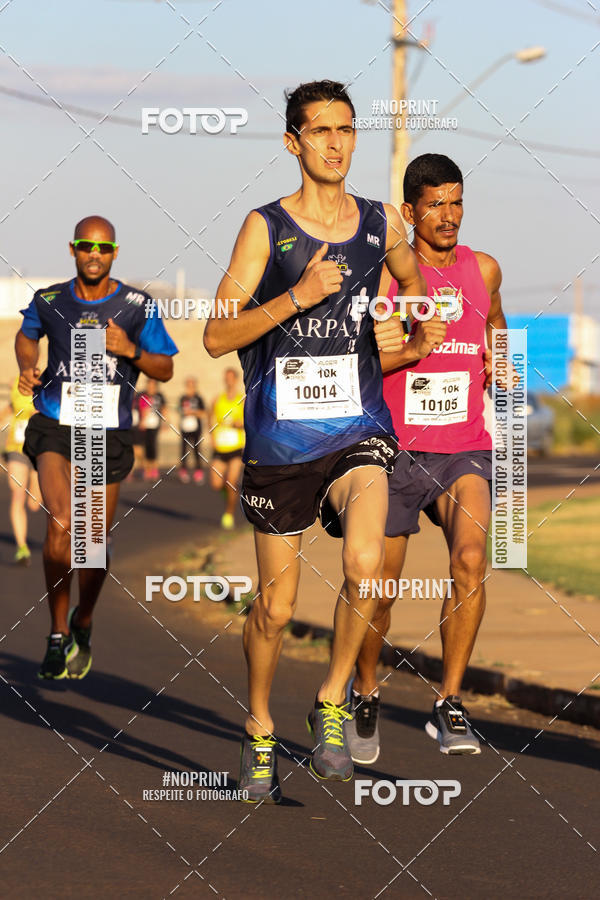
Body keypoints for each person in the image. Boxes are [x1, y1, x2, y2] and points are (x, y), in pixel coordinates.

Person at [204, 80, 425, 802]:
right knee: (274, 607)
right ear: (294, 142)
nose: (336, 143)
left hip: (359, 429)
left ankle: (332, 701)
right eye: (321, 131)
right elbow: (216, 335)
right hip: (279, 442)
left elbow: (418, 300)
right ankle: (260, 725)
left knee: (367, 566)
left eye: (347, 130)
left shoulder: (384, 222)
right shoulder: (266, 227)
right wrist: (297, 295)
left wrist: (413, 330)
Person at [346, 153, 507, 761]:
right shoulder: (389, 279)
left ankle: (450, 701)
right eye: (435, 204)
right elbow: (362, 365)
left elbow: (494, 320)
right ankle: (364, 692)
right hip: (392, 449)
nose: (449, 216)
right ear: (410, 212)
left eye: (457, 202)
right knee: (377, 588)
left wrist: (499, 356)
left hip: (463, 446)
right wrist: (414, 348)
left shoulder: (483, 269)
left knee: (470, 557)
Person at [16, 215, 177, 679]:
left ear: (114, 253)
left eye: (103, 248)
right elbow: (25, 338)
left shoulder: (136, 306)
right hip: (56, 423)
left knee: (93, 545)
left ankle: (83, 619)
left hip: (107, 431)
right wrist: (28, 367)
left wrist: (129, 349)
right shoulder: (50, 300)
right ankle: (55, 632)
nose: (94, 254)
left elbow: (163, 368)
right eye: (86, 245)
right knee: (61, 523)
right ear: (72, 249)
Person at [1, 375, 41, 564]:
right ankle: (22, 547)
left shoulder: (46, 382)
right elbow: (9, 409)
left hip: (40, 449)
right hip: (16, 448)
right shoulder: (15, 384)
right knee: (17, 494)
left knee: (34, 503)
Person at [209, 368, 244, 528]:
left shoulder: (241, 400)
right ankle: (228, 493)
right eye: (226, 378)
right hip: (220, 447)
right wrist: (212, 436)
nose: (228, 381)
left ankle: (229, 513)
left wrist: (240, 424)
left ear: (236, 380)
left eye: (231, 378)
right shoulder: (218, 399)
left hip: (236, 448)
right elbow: (210, 418)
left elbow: (249, 421)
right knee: (216, 484)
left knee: (231, 481)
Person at [178, 376, 206, 484]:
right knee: (183, 450)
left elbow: (203, 413)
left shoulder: (199, 398)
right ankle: (183, 471)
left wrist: (193, 412)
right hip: (185, 427)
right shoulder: (182, 398)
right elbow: (179, 411)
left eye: (191, 386)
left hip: (196, 428)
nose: (189, 388)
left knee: (197, 450)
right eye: (188, 386)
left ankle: (198, 472)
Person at [138, 378, 166, 481]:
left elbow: (164, 409)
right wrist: (141, 421)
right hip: (145, 425)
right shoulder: (142, 395)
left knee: (153, 446)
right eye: (149, 385)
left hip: (155, 424)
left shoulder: (159, 396)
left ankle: (154, 469)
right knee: (145, 447)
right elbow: (140, 409)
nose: (151, 388)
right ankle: (147, 469)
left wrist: (164, 422)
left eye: (153, 386)